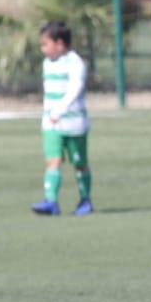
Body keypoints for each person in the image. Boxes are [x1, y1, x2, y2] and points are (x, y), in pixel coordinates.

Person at [32, 20, 93, 217]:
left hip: (74, 124)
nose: (43, 49)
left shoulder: (75, 63)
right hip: (51, 124)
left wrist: (60, 110)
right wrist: (49, 115)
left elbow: (75, 89)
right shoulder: (47, 64)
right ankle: (51, 201)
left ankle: (85, 200)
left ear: (59, 44)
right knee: (53, 161)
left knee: (80, 164)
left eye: (45, 44)